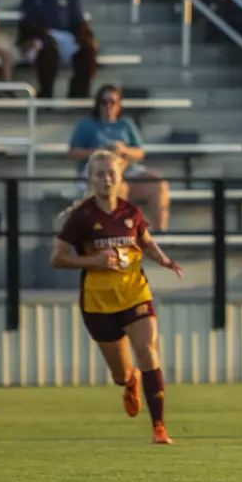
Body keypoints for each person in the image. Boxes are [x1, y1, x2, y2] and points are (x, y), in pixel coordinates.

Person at [51, 149, 183, 445]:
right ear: (90, 179)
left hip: (135, 294)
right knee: (121, 375)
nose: (107, 179)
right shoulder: (81, 217)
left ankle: (159, 427)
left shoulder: (131, 213)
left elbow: (145, 243)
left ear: (121, 177)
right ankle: (130, 381)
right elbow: (58, 258)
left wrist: (163, 260)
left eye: (112, 174)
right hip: (99, 303)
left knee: (147, 350)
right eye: (100, 174)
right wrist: (93, 262)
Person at [67, 86, 171, 231]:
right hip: (100, 173)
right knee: (117, 186)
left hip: (128, 171)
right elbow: (73, 152)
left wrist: (123, 150)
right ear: (98, 104)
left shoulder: (126, 124)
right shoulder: (87, 124)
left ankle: (161, 233)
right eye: (104, 102)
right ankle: (116, 234)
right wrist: (101, 151)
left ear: (119, 104)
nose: (108, 106)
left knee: (158, 182)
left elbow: (140, 153)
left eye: (112, 102)